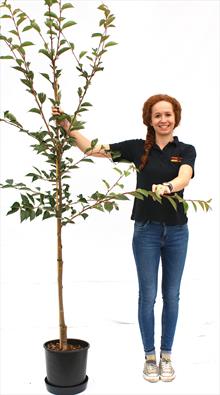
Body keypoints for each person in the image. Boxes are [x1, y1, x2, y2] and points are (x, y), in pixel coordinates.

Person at [52, 93, 196, 383]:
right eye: (157, 115)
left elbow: (185, 176)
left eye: (168, 114)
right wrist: (68, 126)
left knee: (172, 296)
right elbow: (93, 150)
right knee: (148, 296)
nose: (163, 119)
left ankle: (167, 355)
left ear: (175, 118)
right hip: (146, 231)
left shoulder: (186, 150)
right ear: (149, 120)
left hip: (178, 232)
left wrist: (168, 187)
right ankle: (149, 357)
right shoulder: (137, 149)